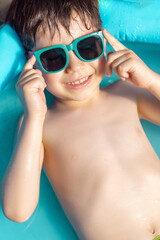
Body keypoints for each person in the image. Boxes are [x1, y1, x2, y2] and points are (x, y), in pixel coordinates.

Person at [2, 0, 160, 239]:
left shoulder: (128, 92)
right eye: (54, 57)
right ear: (32, 64)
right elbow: (17, 211)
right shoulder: (40, 125)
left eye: (87, 47)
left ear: (104, 43)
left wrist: (149, 79)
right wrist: (34, 115)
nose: (75, 67)